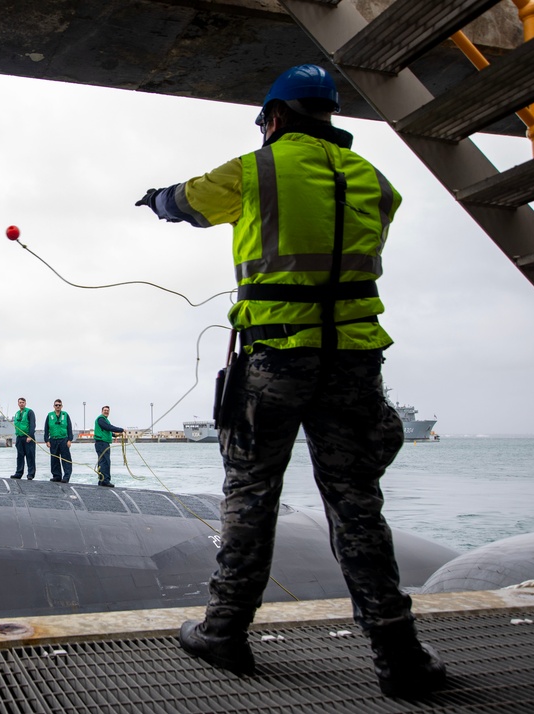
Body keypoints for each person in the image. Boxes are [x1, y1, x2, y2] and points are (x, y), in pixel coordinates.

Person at [136, 64, 446, 698]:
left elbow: (188, 201)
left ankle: (225, 631)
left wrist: (156, 199)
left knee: (251, 493)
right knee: (357, 503)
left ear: (274, 117)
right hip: (355, 362)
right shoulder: (376, 182)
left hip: (276, 358)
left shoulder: (257, 169)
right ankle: (398, 656)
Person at [93, 406, 125, 487]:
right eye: (105, 410)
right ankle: (105, 480)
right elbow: (108, 427)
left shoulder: (105, 420)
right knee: (105, 462)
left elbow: (107, 431)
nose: (106, 412)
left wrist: (115, 435)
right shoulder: (101, 419)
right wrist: (121, 429)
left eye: (107, 410)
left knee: (102, 462)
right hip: (102, 443)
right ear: (102, 411)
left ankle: (101, 480)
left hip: (104, 443)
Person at [44, 399, 74, 482]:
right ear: (54, 406)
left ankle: (66, 476)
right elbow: (46, 428)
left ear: (61, 406)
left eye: (59, 405)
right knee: (54, 459)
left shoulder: (65, 415)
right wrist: (47, 440)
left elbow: (69, 428)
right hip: (53, 439)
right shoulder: (50, 415)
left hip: (63, 439)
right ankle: (57, 476)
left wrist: (69, 440)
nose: (58, 406)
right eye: (56, 405)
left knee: (66, 459)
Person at [10, 397, 37, 479]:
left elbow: (32, 425)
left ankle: (30, 474)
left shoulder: (29, 412)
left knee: (30, 456)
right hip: (19, 437)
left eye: (23, 402)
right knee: (20, 456)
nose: (21, 404)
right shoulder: (17, 413)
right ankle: (19, 473)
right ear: (18, 404)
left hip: (27, 438)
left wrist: (30, 436)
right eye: (20, 402)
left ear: (25, 403)